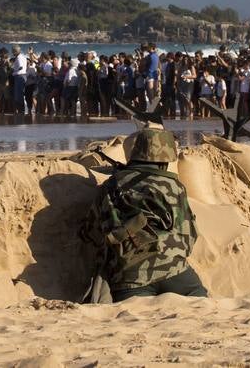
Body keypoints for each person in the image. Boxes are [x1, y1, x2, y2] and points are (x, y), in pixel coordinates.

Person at [81, 127, 206, 302]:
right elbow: (189, 234)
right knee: (200, 299)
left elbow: (91, 233)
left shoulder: (110, 187)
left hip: (129, 278)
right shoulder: (173, 186)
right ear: (165, 159)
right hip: (173, 271)